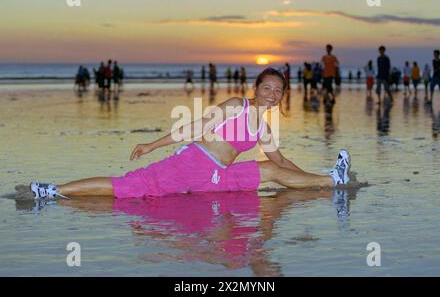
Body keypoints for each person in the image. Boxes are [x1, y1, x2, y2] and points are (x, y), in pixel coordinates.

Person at [24, 68, 351, 200]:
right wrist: (152, 145)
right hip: (193, 164)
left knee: (272, 169)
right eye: (267, 87)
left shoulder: (263, 127)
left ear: (282, 95)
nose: (272, 93)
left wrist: (306, 174)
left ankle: (331, 179)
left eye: (278, 90)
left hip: (216, 177)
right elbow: (194, 128)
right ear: (256, 88)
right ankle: (53, 190)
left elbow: (280, 159)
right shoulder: (237, 105)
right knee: (127, 187)